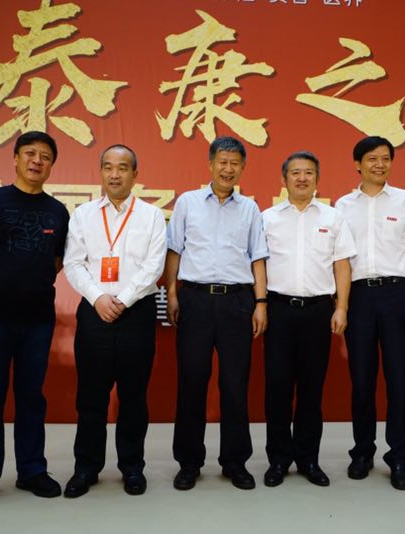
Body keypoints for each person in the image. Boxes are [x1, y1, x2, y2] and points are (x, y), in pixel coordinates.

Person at [0, 131, 69, 511]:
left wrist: (27, 285)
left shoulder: (58, 211)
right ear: (16, 159)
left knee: (31, 397)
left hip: (37, 318)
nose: (37, 161)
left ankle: (32, 470)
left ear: (51, 165)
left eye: (45, 156)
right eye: (30, 154)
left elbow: (57, 261)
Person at [62, 144, 167, 497]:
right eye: (108, 167)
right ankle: (86, 468)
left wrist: (122, 299)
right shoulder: (83, 215)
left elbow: (154, 265)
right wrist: (98, 298)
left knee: (133, 396)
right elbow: (73, 263)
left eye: (122, 168)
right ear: (101, 172)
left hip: (136, 312)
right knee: (91, 396)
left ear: (135, 174)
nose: (115, 174)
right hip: (95, 312)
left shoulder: (151, 216)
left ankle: (132, 468)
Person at [165, 136, 269, 491]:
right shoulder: (188, 203)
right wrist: (173, 294)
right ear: (210, 164)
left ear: (243, 168)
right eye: (222, 162)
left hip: (237, 302)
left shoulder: (250, 208)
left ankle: (235, 462)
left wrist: (260, 302)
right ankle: (189, 462)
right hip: (194, 300)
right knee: (192, 382)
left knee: (235, 384)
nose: (228, 169)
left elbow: (258, 257)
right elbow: (174, 251)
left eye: (234, 163)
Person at [335, 136, 405, 491]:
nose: (379, 164)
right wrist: (341, 303)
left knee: (399, 380)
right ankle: (362, 452)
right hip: (358, 295)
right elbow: (339, 258)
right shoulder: (343, 205)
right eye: (372, 159)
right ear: (357, 164)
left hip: (397, 294)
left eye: (385, 158)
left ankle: (400, 458)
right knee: (362, 380)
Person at [261, 151, 356, 488]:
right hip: (279, 310)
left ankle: (308, 459)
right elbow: (258, 265)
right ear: (284, 179)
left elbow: (342, 265)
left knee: (312, 390)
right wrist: (261, 304)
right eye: (295, 172)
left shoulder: (333, 217)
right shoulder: (267, 218)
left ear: (318, 178)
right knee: (277, 389)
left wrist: (341, 307)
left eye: (309, 173)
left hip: (318, 311)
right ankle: (278, 460)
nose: (302, 178)